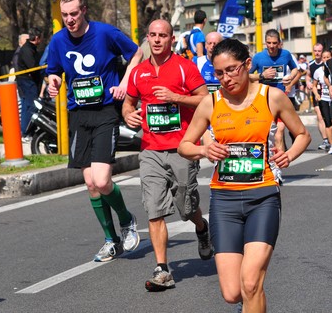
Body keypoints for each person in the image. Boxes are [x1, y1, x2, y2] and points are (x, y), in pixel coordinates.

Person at [177, 38, 310, 312]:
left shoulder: (271, 97)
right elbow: (184, 146)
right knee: (232, 293)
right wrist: (205, 150)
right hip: (224, 202)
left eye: (232, 69)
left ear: (247, 65)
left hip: (263, 198)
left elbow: (303, 135)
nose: (226, 78)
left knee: (251, 283)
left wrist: (289, 155)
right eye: (219, 73)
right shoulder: (210, 103)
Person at [46, 0, 143, 263]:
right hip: (78, 115)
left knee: (101, 180)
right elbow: (53, 71)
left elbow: (136, 53)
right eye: (65, 15)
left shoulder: (104, 33)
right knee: (90, 183)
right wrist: (53, 82)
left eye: (74, 14)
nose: (69, 20)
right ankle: (111, 240)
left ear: (84, 10)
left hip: (104, 112)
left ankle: (127, 220)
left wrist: (125, 82)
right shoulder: (57, 41)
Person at [122, 18, 213, 292]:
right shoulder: (138, 73)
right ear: (147, 38)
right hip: (150, 148)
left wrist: (177, 97)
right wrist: (129, 116)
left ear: (172, 39)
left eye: (163, 35)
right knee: (153, 208)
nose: (157, 40)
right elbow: (128, 104)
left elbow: (206, 99)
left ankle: (201, 227)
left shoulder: (184, 68)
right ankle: (163, 269)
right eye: (152, 35)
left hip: (182, 147)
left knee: (185, 208)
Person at [249, 29, 300, 153]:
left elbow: (295, 70)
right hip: (264, 99)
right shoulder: (258, 57)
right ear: (265, 43)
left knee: (279, 131)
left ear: (279, 43)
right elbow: (247, 76)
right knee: (265, 134)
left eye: (274, 43)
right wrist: (262, 75)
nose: (271, 46)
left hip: (281, 98)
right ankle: (267, 159)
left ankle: (279, 166)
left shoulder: (286, 54)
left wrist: (290, 77)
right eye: (269, 43)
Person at [15, 27, 43, 142]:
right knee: (30, 106)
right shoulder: (27, 50)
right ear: (36, 38)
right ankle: (26, 132)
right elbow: (32, 67)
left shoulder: (30, 48)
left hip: (28, 81)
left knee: (29, 106)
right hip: (27, 81)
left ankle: (26, 132)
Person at [306, 43, 332, 151]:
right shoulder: (311, 64)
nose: (317, 53)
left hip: (330, 94)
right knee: (320, 115)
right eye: (315, 51)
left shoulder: (328, 64)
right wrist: (308, 83)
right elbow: (308, 76)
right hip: (318, 93)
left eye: (319, 51)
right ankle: (326, 140)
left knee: (331, 117)